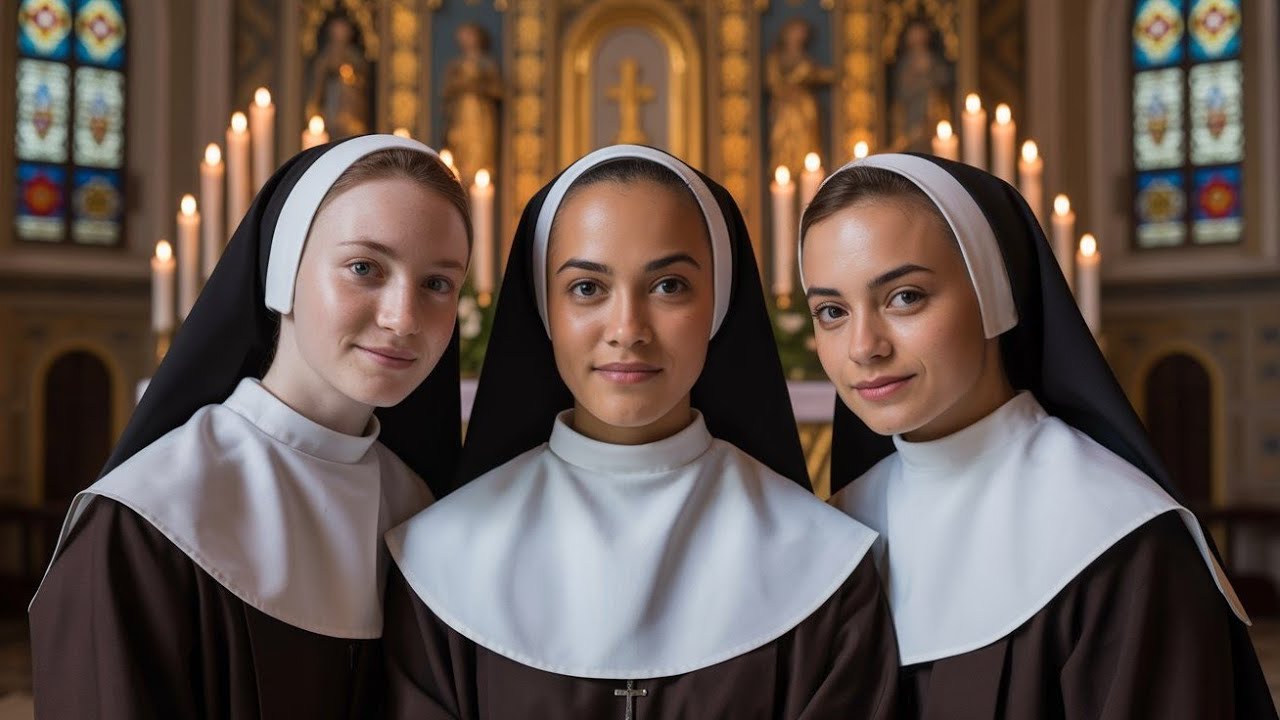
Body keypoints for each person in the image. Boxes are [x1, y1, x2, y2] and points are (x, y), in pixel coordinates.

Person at [384, 145, 898, 718]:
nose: (628, 330)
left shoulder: (822, 562)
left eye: (669, 286)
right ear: (544, 308)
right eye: (586, 288)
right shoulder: (440, 558)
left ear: (720, 303)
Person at [801, 152, 1277, 719]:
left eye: (905, 297)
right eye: (831, 311)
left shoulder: (1120, 542)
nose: (863, 346)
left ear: (995, 297)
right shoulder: (838, 531)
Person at [29, 135, 472, 719]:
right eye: (364, 268)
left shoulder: (420, 511)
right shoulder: (145, 522)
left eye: (437, 283)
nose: (403, 318)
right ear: (281, 271)